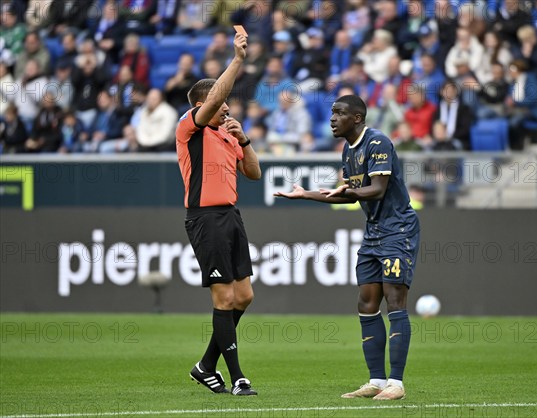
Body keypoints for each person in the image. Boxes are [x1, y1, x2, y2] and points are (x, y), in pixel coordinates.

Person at [274, 95, 420, 401]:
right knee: (367, 303)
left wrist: (349, 190)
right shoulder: (347, 150)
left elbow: (377, 190)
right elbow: (350, 196)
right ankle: (377, 381)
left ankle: (397, 383)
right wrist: (307, 195)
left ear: (357, 118)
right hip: (373, 233)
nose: (332, 118)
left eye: (339, 113)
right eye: (331, 113)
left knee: (395, 300)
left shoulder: (377, 143)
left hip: (398, 229)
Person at [175, 32, 261, 396]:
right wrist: (238, 60)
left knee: (243, 297)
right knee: (223, 299)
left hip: (231, 217)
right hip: (205, 219)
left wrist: (243, 140)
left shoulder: (227, 135)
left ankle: (206, 365)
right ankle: (238, 377)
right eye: (223, 104)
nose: (227, 109)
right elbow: (215, 98)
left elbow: (254, 173)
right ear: (203, 105)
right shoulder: (189, 129)